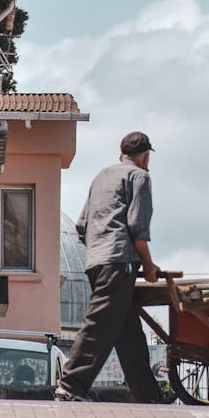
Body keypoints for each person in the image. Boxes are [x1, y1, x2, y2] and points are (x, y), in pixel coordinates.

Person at [56, 130, 165, 403]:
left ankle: (149, 396)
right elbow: (137, 228)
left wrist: (99, 247)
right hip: (119, 262)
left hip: (95, 260)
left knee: (129, 335)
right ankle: (70, 387)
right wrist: (149, 267)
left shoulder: (101, 176)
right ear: (145, 156)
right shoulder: (140, 176)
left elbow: (82, 225)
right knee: (99, 327)